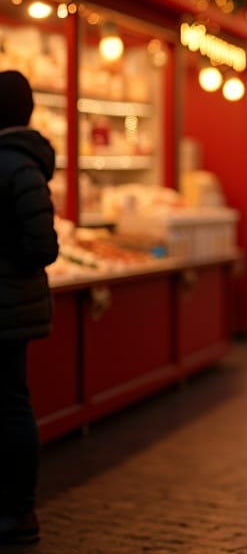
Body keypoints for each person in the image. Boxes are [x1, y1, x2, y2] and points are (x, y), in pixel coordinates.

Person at [0, 70, 59, 546]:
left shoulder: (15, 164)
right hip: (16, 305)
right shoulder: (27, 163)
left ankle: (20, 511)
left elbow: (42, 245)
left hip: (8, 306)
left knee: (12, 405)